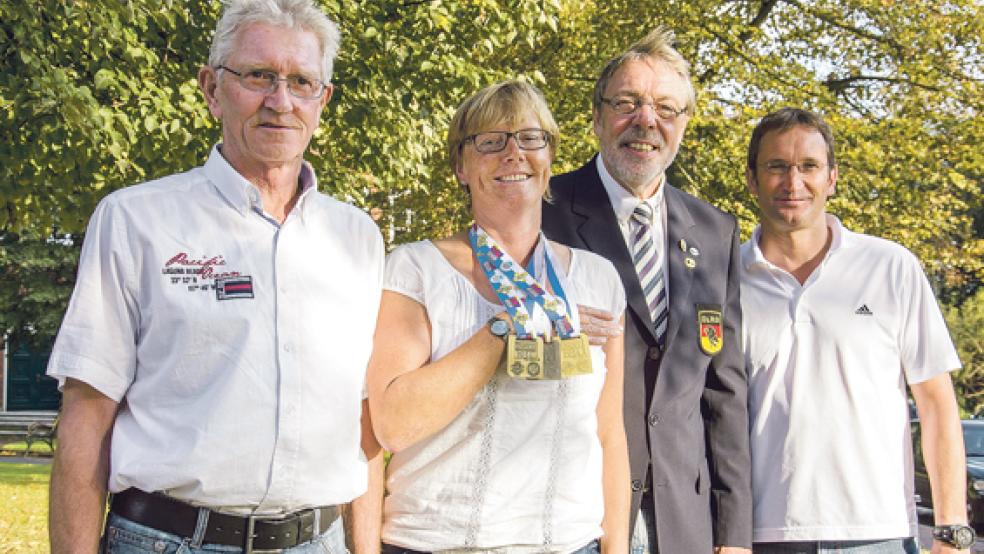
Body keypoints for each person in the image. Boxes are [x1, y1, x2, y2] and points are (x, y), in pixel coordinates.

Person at [46, 1, 385, 552]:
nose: (280, 101)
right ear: (211, 88)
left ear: (322, 100)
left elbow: (363, 424)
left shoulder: (358, 239)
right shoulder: (136, 220)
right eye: (258, 76)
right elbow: (86, 419)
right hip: (171, 539)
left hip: (320, 541)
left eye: (301, 81)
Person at [366, 80, 631, 553]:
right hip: (437, 544)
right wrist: (507, 328)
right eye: (490, 141)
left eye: (531, 138)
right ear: (461, 167)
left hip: (571, 544)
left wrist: (616, 548)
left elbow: (610, 433)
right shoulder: (415, 270)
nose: (513, 153)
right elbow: (391, 425)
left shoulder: (598, 280)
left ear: (549, 159)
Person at [542, 27, 752, 554]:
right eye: (628, 103)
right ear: (596, 115)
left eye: (665, 108)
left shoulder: (715, 229)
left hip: (685, 520)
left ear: (682, 124)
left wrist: (734, 534)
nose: (646, 121)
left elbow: (724, 391)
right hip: (575, 512)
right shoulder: (542, 211)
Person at [740, 107, 971, 553]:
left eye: (809, 166)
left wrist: (951, 530)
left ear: (831, 178)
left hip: (878, 532)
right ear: (751, 179)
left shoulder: (891, 267)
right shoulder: (725, 279)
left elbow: (937, 402)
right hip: (762, 533)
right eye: (776, 167)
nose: (794, 183)